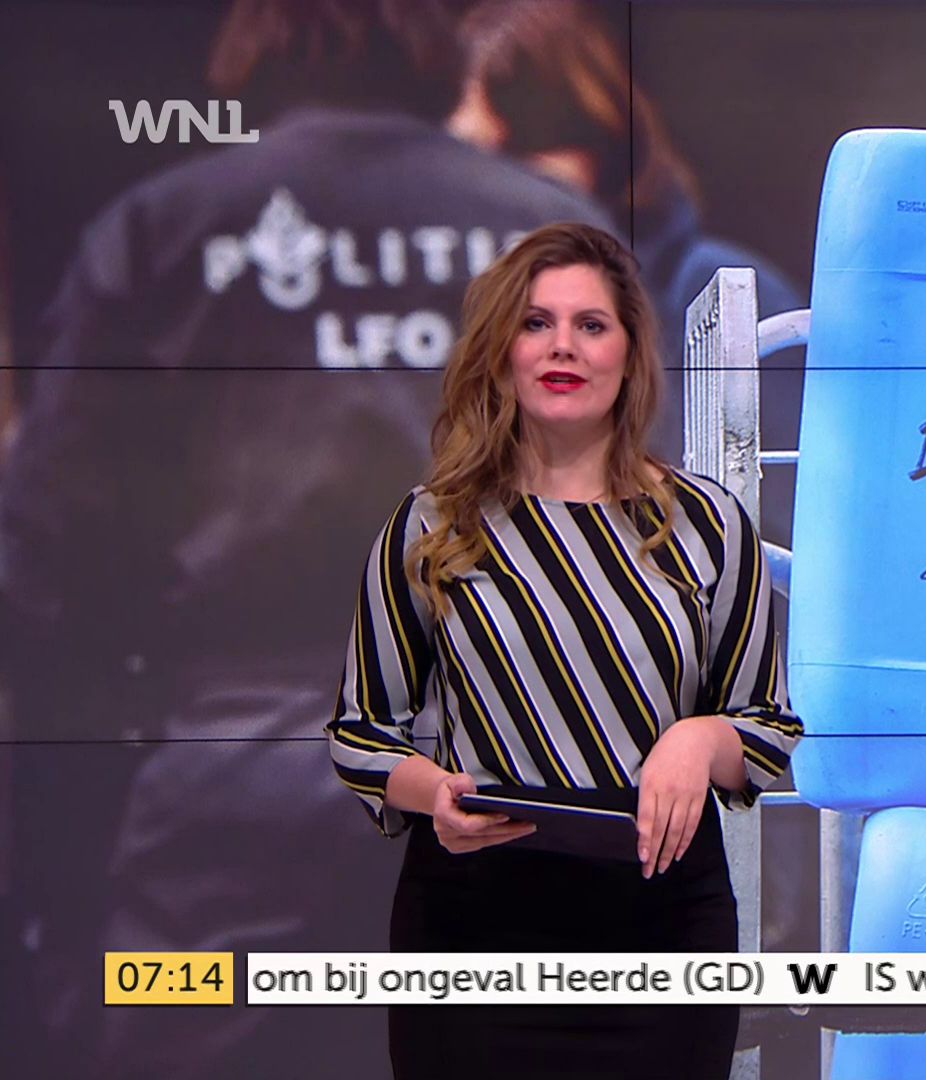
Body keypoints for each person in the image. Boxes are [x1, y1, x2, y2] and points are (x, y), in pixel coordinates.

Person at [0, 2, 626, 1075]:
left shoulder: (166, 229)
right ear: (442, 55)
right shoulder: (548, 234)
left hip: (231, 787)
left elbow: (51, 554)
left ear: (252, 53)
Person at [326, 221, 802, 1079]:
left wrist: (698, 739)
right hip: (474, 925)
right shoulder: (433, 525)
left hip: (661, 925)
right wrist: (434, 795)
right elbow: (362, 732)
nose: (563, 347)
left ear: (630, 353)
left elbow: (766, 728)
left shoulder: (708, 526)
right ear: (502, 350)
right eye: (536, 322)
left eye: (591, 325)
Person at [446, 0, 807, 541]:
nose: (506, 191)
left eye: (527, 142)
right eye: (475, 162)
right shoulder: (444, 316)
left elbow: (789, 541)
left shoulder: (721, 296)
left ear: (608, 143)